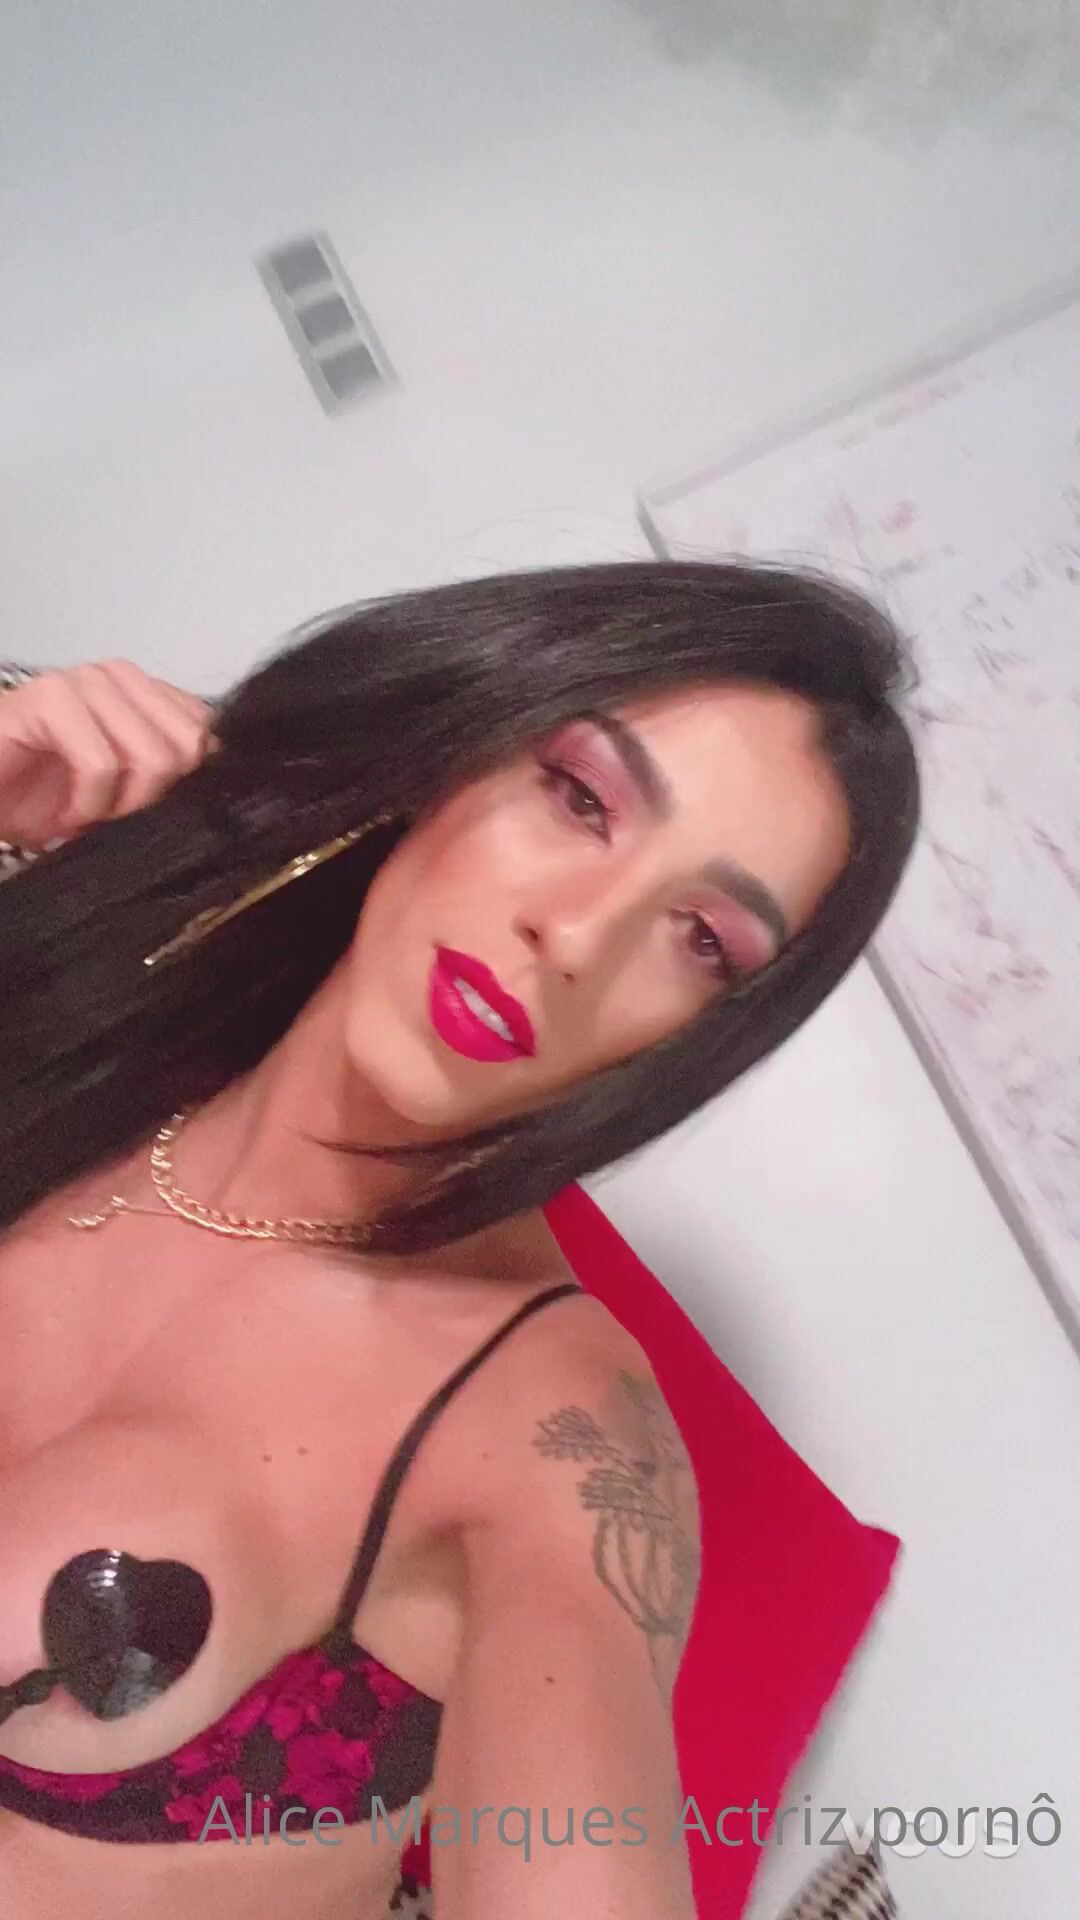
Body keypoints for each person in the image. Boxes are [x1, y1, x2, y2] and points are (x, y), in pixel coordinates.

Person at [0, 560, 919, 1920]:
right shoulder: (91, 1000)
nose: (579, 935)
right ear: (454, 744)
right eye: (581, 797)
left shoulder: (550, 1435)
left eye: (699, 937)